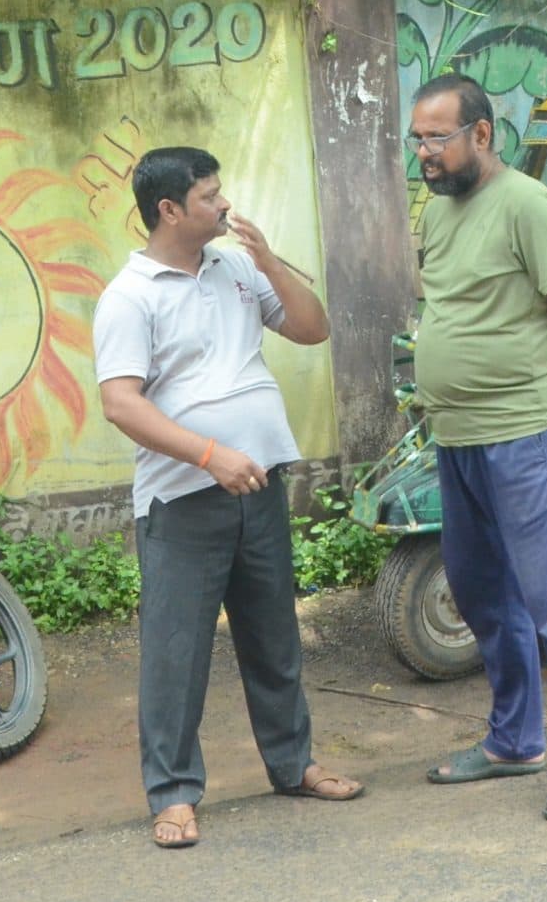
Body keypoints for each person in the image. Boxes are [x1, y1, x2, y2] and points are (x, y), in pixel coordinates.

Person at [93, 146, 361, 850]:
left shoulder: (236, 265)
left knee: (274, 635)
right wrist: (210, 456)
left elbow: (312, 327)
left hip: (260, 482)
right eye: (209, 197)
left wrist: (270, 262)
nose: (225, 206)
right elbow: (121, 404)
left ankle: (294, 764)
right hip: (184, 498)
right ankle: (174, 794)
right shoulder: (130, 295)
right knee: (177, 653)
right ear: (169, 210)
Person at [408, 73, 547, 821]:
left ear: (482, 134)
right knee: (481, 593)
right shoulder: (437, 211)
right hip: (459, 435)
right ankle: (514, 740)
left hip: (527, 432)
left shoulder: (528, 206)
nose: (426, 152)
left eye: (438, 137)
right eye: (419, 139)